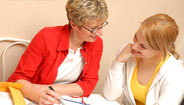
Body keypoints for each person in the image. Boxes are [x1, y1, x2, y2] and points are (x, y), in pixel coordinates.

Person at [8, 0, 109, 104]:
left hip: (62, 99)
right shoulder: (46, 37)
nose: (100, 33)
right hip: (33, 98)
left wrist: (47, 89)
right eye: (93, 29)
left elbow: (89, 84)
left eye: (101, 26)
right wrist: (37, 95)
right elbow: (18, 79)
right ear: (74, 24)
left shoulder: (96, 44)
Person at [103, 13, 184, 105]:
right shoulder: (127, 52)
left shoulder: (176, 73)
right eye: (136, 37)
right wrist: (119, 61)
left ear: (160, 51)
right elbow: (110, 95)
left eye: (143, 46)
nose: (134, 46)